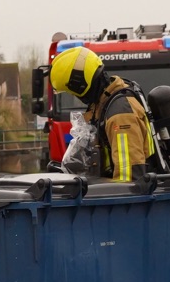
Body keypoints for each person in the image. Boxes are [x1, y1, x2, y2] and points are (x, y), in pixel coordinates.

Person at [49, 46, 154, 182]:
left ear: (80, 84)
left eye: (72, 91)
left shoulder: (120, 114)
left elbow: (128, 177)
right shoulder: (102, 104)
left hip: (127, 199)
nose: (74, 96)